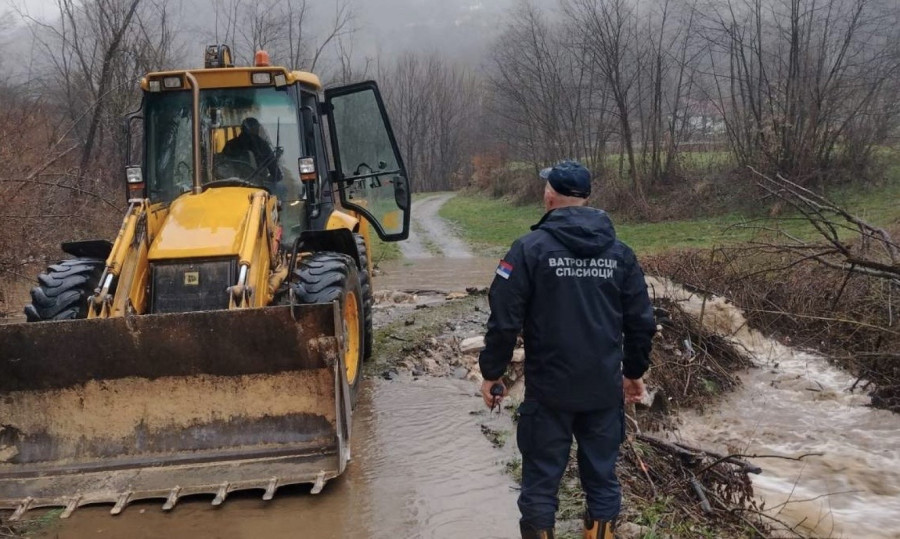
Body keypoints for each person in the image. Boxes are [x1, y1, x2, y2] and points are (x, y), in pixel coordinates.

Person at [478, 160, 656, 539]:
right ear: (587, 197)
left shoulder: (528, 250)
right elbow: (641, 321)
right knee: (602, 481)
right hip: (603, 391)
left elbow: (504, 318)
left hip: (549, 393)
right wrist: (633, 373)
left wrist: (493, 374)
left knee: (541, 485)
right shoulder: (620, 254)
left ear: (549, 195)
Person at [220, 117, 282, 183]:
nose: (257, 130)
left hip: (230, 185)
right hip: (256, 187)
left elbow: (275, 172)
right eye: (255, 128)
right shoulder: (262, 146)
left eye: (256, 128)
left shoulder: (230, 144)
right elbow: (276, 174)